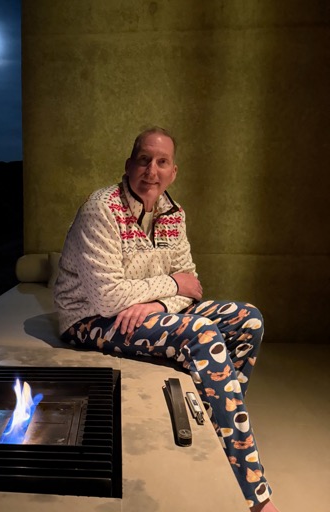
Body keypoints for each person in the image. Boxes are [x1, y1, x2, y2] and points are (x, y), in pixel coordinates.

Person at [53, 126, 280, 512]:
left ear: (173, 171)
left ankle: (217, 429)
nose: (151, 170)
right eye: (144, 159)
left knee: (249, 320)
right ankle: (254, 495)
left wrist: (158, 304)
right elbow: (109, 297)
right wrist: (170, 285)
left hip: (141, 313)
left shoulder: (174, 213)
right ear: (128, 165)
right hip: (89, 318)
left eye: (162, 162)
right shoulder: (101, 209)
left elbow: (192, 286)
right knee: (204, 333)